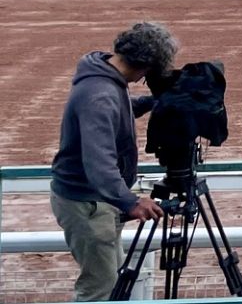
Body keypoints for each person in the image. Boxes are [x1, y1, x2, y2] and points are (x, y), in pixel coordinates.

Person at [51, 22, 177, 301]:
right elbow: (99, 162)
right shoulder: (101, 94)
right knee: (100, 288)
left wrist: (147, 102)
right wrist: (130, 202)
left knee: (109, 276)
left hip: (92, 200)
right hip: (88, 203)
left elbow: (114, 114)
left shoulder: (104, 75)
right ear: (146, 67)